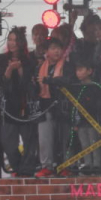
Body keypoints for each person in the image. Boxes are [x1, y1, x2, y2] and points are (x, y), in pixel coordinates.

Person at [0, 27, 39, 176]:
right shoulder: (1, 59)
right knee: (8, 142)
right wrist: (9, 69)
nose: (12, 43)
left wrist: (20, 70)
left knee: (29, 142)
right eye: (10, 39)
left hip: (25, 107)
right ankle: (17, 167)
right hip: (9, 108)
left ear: (21, 42)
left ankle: (26, 170)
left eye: (15, 40)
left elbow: (29, 84)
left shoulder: (29, 60)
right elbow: (1, 84)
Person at [66, 58, 101, 174]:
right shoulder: (76, 87)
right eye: (77, 70)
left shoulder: (95, 87)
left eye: (81, 70)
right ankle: (87, 163)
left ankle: (97, 164)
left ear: (89, 71)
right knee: (84, 143)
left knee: (94, 142)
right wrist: (74, 121)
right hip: (81, 121)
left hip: (93, 120)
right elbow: (74, 106)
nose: (78, 73)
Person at [32, 39, 69, 177]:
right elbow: (36, 87)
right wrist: (35, 85)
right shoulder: (40, 68)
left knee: (64, 138)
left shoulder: (67, 65)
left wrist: (49, 80)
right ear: (46, 52)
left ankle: (66, 165)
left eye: (59, 48)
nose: (56, 51)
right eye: (53, 48)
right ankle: (46, 166)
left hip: (62, 106)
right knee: (44, 138)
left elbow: (67, 80)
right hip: (45, 105)